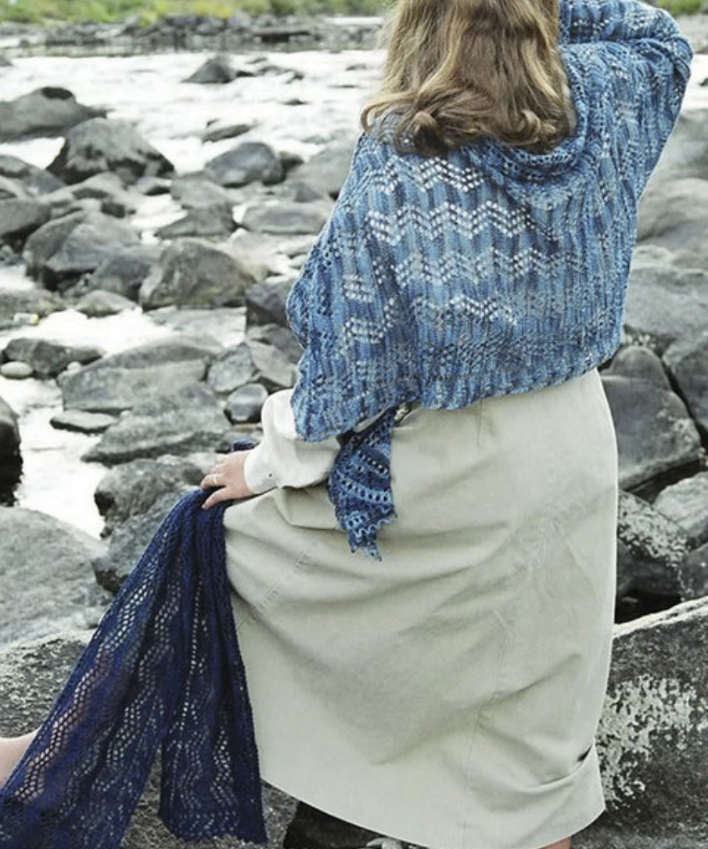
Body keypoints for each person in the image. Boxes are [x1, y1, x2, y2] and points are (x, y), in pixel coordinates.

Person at [0, 1, 693, 848]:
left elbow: (349, 373)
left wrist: (265, 464)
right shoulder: (611, 93)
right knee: (533, 699)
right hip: (572, 448)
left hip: (450, 468)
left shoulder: (408, 151)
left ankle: (52, 757)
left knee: (213, 546)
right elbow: (657, 29)